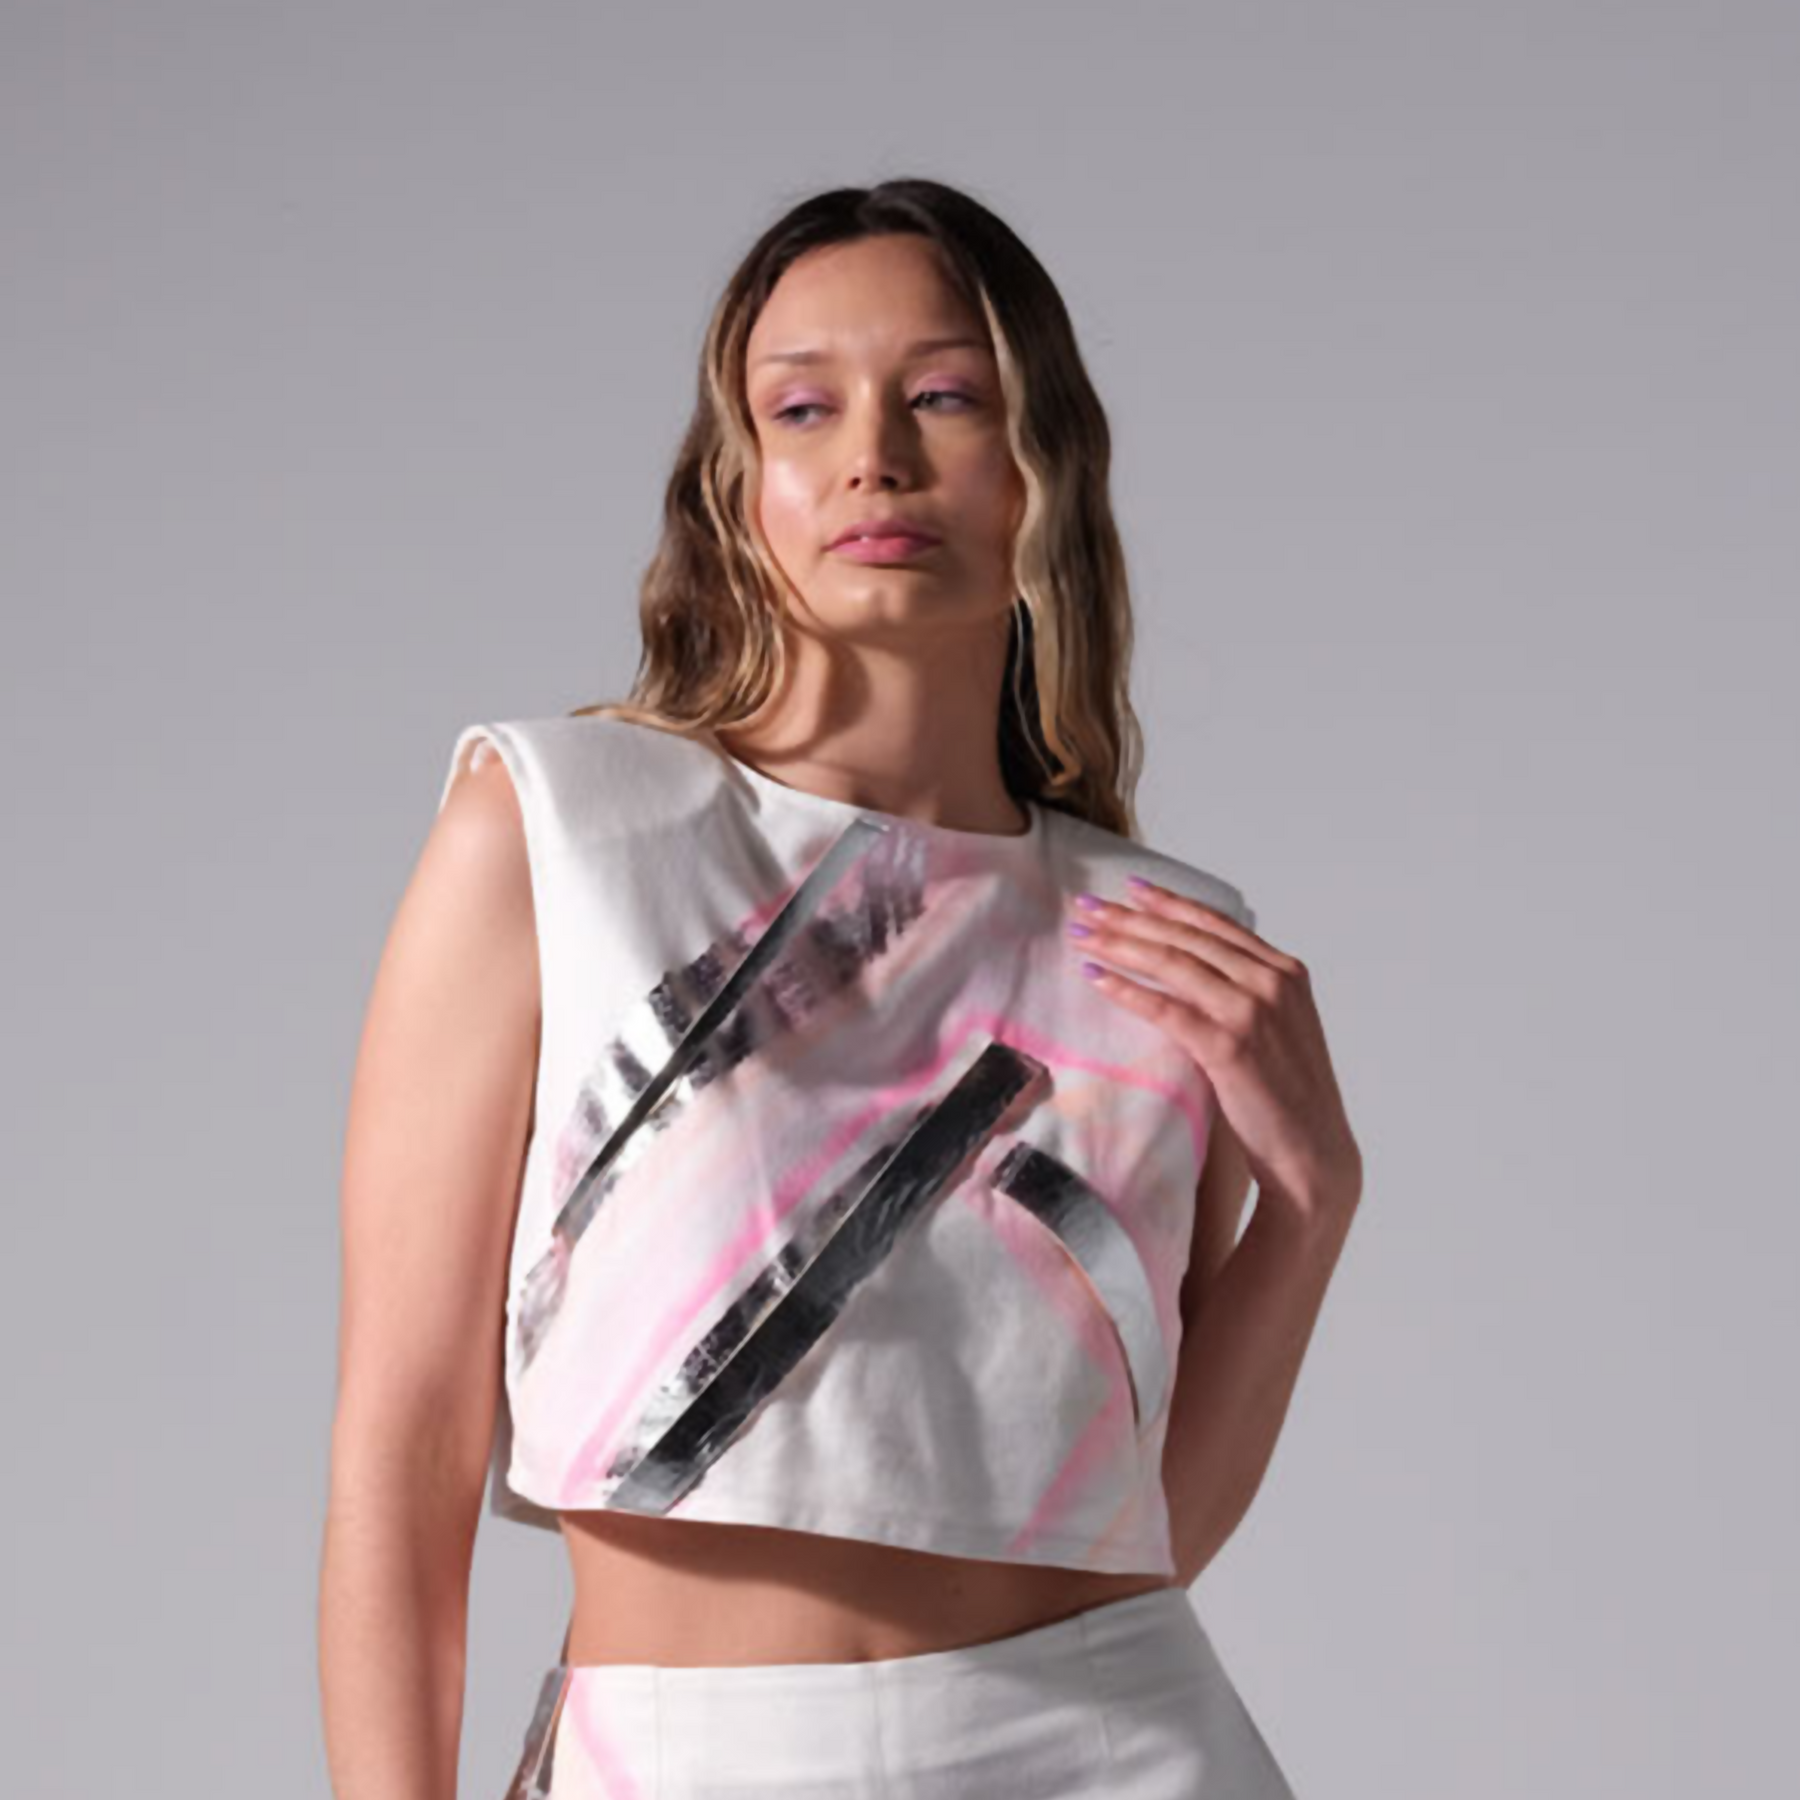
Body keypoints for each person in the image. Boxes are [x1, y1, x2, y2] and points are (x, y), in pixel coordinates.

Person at [318, 177, 1363, 1798]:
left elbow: (1145, 1529)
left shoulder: (1164, 937)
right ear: (738, 485)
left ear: (1042, 460)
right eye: (803, 408)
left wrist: (1309, 1207)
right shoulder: (562, 833)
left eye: (943, 397)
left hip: (1120, 1748)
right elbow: (405, 1450)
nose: (873, 455)